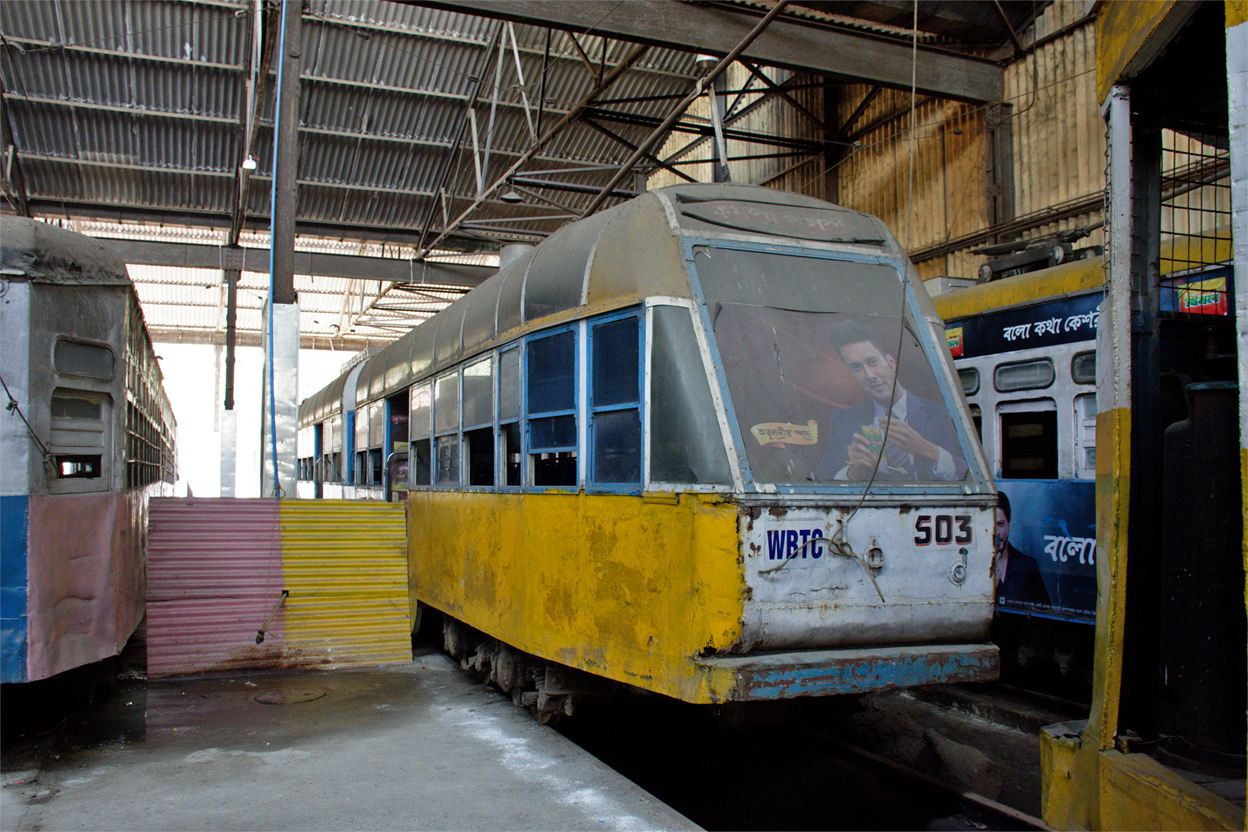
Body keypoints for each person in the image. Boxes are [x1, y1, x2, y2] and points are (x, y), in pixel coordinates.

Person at [813, 320, 966, 481]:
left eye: (873, 362)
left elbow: (969, 476)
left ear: (891, 363)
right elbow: (821, 480)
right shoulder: (843, 421)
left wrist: (927, 450)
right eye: (857, 367)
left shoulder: (940, 414)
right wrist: (853, 473)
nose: (869, 375)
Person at [994, 491, 1050, 607]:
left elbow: (1044, 610)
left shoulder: (1027, 565)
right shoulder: (975, 565)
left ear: (1009, 525)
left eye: (1000, 524)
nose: (996, 533)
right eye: (991, 525)